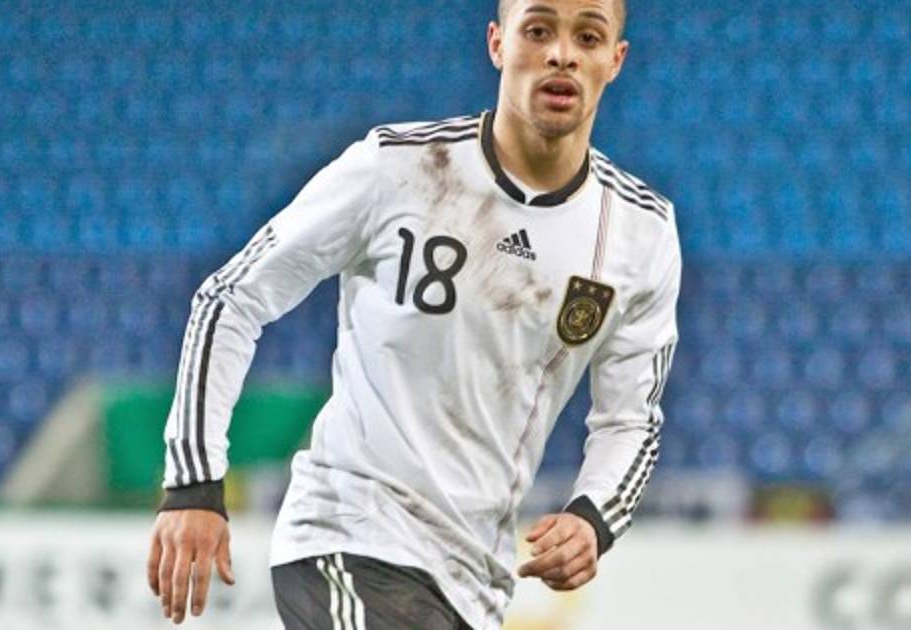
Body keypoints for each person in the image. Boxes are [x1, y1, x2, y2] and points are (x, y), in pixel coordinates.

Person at [146, 0, 680, 627]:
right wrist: (193, 482)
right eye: (538, 31)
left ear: (615, 59)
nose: (562, 54)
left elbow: (630, 419)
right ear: (497, 44)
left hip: (473, 581)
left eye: (588, 37)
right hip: (350, 534)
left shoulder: (639, 233)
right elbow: (231, 297)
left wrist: (594, 518)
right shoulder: (396, 167)